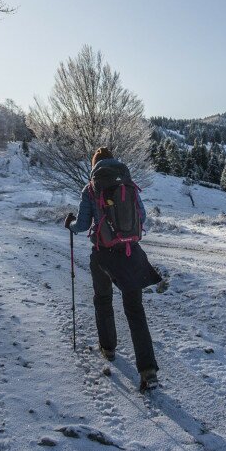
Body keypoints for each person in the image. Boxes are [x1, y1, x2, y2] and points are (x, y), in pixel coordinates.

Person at [66, 147, 162, 391]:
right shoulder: (128, 183)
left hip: (103, 254)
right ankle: (148, 371)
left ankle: (108, 348)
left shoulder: (91, 188)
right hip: (131, 253)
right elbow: (142, 216)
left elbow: (83, 224)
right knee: (135, 311)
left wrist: (70, 224)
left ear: (94, 165)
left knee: (103, 300)